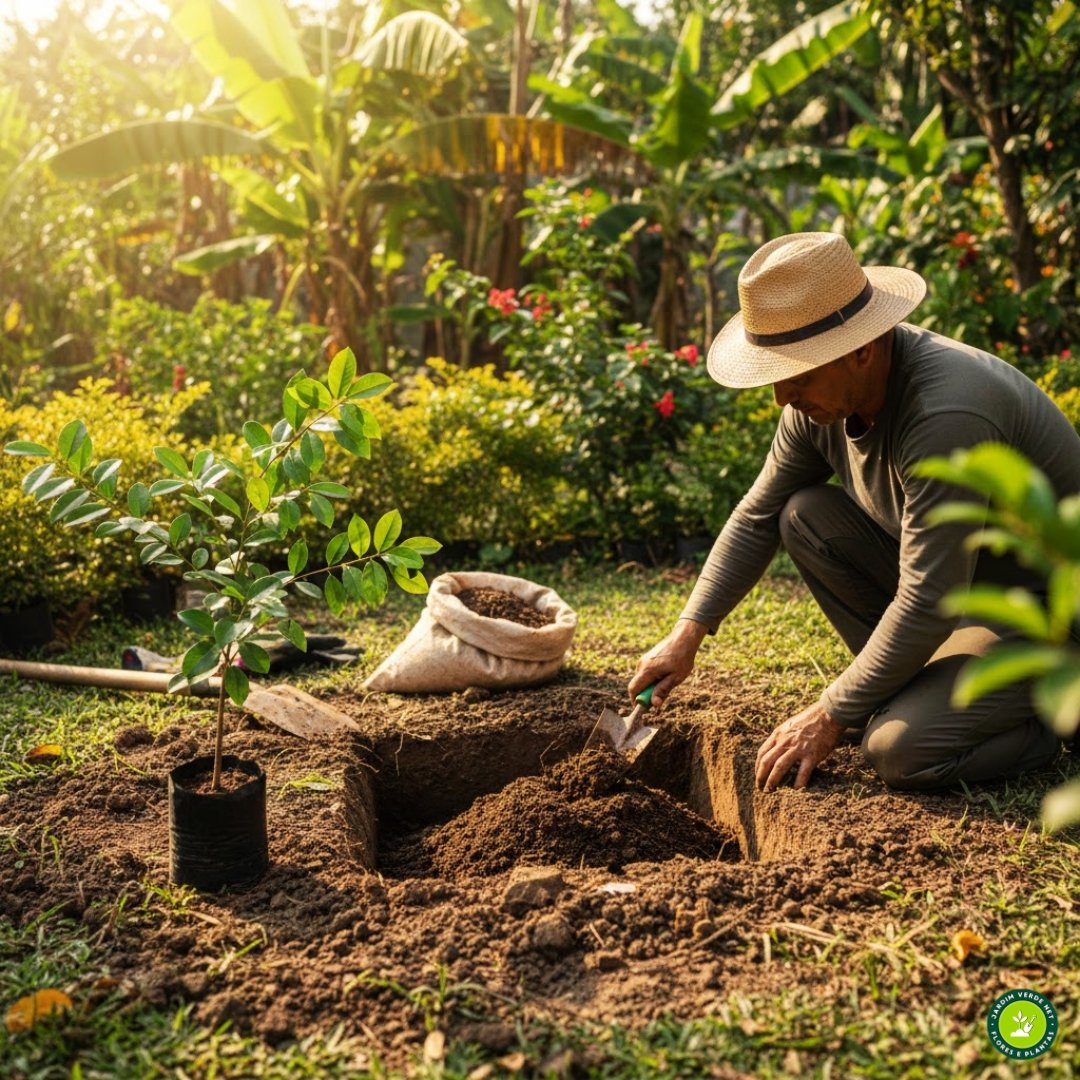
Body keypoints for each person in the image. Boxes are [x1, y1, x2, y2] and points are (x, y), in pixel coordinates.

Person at [629, 232, 1080, 793]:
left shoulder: (944, 413)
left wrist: (830, 713)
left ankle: (1048, 721)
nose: (782, 397)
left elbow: (929, 599)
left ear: (860, 349)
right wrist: (686, 634)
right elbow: (756, 515)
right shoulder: (820, 404)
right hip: (967, 597)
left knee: (897, 751)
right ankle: (916, 691)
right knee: (804, 515)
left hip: (1046, 614)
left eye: (797, 374)